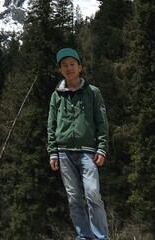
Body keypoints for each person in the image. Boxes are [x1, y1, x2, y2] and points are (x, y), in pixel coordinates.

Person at [47, 47, 110, 240]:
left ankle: (100, 236)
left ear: (80, 67)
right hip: (64, 153)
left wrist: (102, 148)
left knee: (92, 193)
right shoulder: (57, 95)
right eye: (64, 65)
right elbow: (51, 124)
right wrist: (52, 152)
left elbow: (102, 122)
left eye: (72, 64)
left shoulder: (93, 92)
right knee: (74, 198)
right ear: (60, 70)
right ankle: (84, 236)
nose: (69, 68)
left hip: (88, 152)